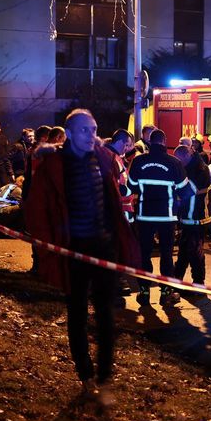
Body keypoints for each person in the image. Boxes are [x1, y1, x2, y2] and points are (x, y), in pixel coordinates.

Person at [24, 108, 138, 405]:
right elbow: (38, 208)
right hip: (73, 250)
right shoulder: (54, 165)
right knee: (76, 313)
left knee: (105, 314)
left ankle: (104, 378)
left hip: (104, 248)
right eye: (85, 130)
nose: (91, 135)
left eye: (94, 128)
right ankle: (86, 376)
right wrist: (48, 244)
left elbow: (111, 198)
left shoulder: (102, 159)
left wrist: (121, 222)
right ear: (70, 133)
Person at [127, 129, 192, 306]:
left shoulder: (139, 161)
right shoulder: (174, 162)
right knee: (166, 255)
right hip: (167, 217)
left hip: (145, 215)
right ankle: (165, 293)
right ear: (164, 142)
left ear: (150, 141)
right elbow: (185, 191)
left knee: (144, 254)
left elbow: (131, 186)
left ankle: (144, 292)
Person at [173, 144, 211, 288]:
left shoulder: (200, 169)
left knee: (195, 252)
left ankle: (198, 283)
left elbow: (189, 190)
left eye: (179, 159)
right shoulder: (190, 167)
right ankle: (177, 279)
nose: (178, 163)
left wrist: (176, 190)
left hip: (197, 218)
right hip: (188, 218)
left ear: (186, 156)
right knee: (184, 249)